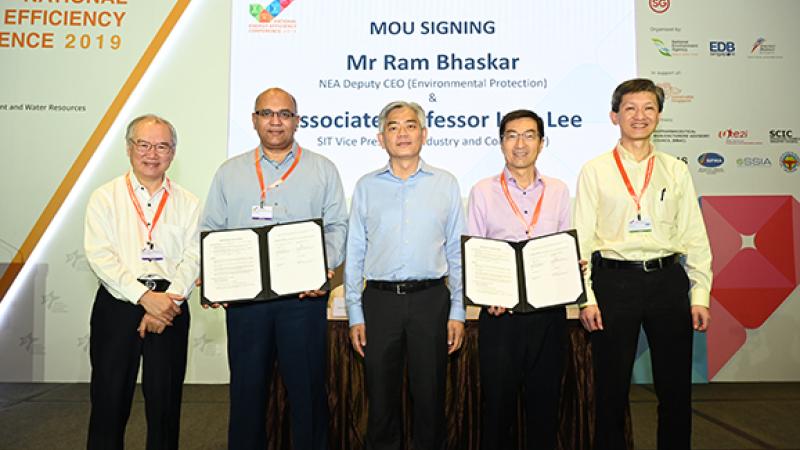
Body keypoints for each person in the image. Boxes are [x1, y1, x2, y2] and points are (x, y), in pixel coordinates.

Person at [201, 87, 347, 450]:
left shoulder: (323, 169)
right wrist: (215, 277)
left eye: (284, 114)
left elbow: (337, 227)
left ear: (297, 121)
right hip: (246, 303)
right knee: (246, 394)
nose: (276, 121)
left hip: (303, 299)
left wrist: (322, 268)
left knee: (308, 394)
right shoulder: (229, 172)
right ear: (254, 120)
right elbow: (211, 229)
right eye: (267, 113)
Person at [574, 78, 712, 450]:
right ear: (614, 116)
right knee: (611, 390)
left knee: (675, 389)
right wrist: (587, 298)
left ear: (659, 116)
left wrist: (700, 294)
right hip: (613, 283)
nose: (640, 116)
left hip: (667, 282)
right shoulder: (595, 170)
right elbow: (581, 241)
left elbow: (694, 235)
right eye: (630, 108)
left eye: (649, 108)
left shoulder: (675, 169)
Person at [345, 101, 466, 450]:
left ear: (424, 134)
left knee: (430, 396)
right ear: (381, 138)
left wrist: (457, 310)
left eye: (410, 126)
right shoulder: (366, 187)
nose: (402, 133)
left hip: (431, 300)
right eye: (393, 126)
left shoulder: (446, 184)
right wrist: (355, 313)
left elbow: (457, 252)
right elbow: (355, 252)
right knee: (380, 399)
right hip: (380, 302)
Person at [84, 114, 200, 450]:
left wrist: (168, 301)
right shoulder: (104, 197)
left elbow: (194, 256)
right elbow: (100, 256)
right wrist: (144, 297)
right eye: (144, 145)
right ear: (128, 148)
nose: (152, 154)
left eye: (162, 146)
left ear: (173, 152)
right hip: (118, 304)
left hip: (170, 306)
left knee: (165, 401)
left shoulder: (188, 202)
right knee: (109, 397)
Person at [466, 109, 571, 450]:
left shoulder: (559, 190)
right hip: (501, 318)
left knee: (545, 408)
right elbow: (474, 252)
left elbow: (565, 243)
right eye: (512, 135)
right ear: (501, 143)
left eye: (529, 135)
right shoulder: (482, 191)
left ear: (542, 142)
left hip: (548, 317)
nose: (520, 144)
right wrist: (487, 295)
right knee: (497, 411)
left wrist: (570, 264)